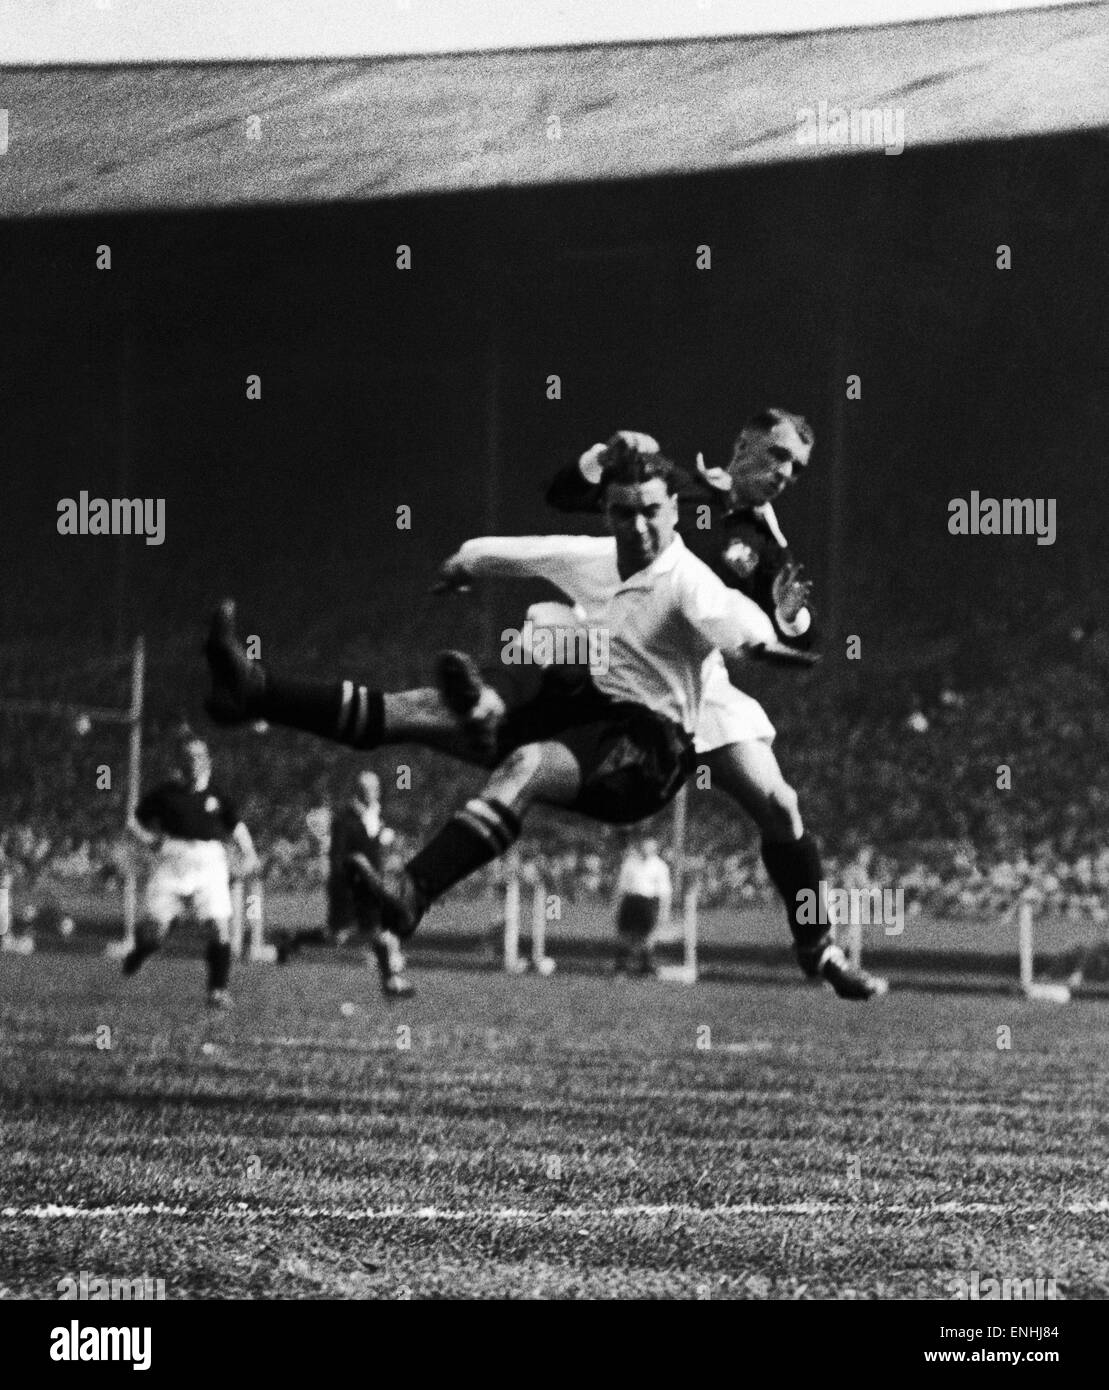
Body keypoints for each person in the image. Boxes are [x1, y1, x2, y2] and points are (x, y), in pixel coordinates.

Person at [203, 438, 809, 959]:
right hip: (591, 712)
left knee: (529, 756)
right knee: (421, 709)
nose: (640, 527)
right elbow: (522, 549)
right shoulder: (595, 559)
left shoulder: (688, 581)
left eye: (652, 511)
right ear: (608, 513)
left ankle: (410, 893)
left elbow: (734, 621)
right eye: (625, 514)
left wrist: (765, 643)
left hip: (651, 750)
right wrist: (465, 560)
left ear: (675, 510)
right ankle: (257, 692)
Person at [536, 416, 886, 1000]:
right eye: (777, 455)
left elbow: (799, 644)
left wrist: (795, 619)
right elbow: (562, 495)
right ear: (744, 443)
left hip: (698, 681)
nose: (784, 474)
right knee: (534, 737)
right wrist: (601, 455)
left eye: (796, 468)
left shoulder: (768, 545)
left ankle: (818, 947)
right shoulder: (669, 483)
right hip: (620, 657)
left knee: (781, 805)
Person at [123, 732, 258, 1009]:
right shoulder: (164, 794)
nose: (194, 762)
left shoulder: (217, 795)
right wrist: (150, 840)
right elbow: (133, 823)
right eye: (189, 757)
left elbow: (237, 826)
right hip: (172, 860)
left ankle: (217, 991)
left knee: (219, 927)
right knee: (155, 934)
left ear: (208, 760)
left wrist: (249, 852)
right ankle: (141, 951)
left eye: (199, 756)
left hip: (210, 862)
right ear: (180, 762)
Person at [276, 770, 413, 997]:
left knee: (377, 932)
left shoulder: (376, 816)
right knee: (336, 936)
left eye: (376, 787)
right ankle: (292, 940)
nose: (375, 792)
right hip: (347, 887)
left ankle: (390, 982)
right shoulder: (345, 820)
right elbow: (337, 857)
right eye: (369, 788)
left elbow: (375, 849)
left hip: (370, 887)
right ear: (359, 791)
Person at [614, 835, 672, 976]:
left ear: (655, 849)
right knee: (625, 935)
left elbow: (665, 892)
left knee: (648, 936)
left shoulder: (660, 866)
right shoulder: (630, 863)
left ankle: (646, 967)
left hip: (648, 902)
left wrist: (664, 912)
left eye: (650, 847)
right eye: (645, 846)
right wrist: (616, 906)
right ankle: (621, 967)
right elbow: (621, 888)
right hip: (630, 901)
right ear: (640, 846)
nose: (647, 850)